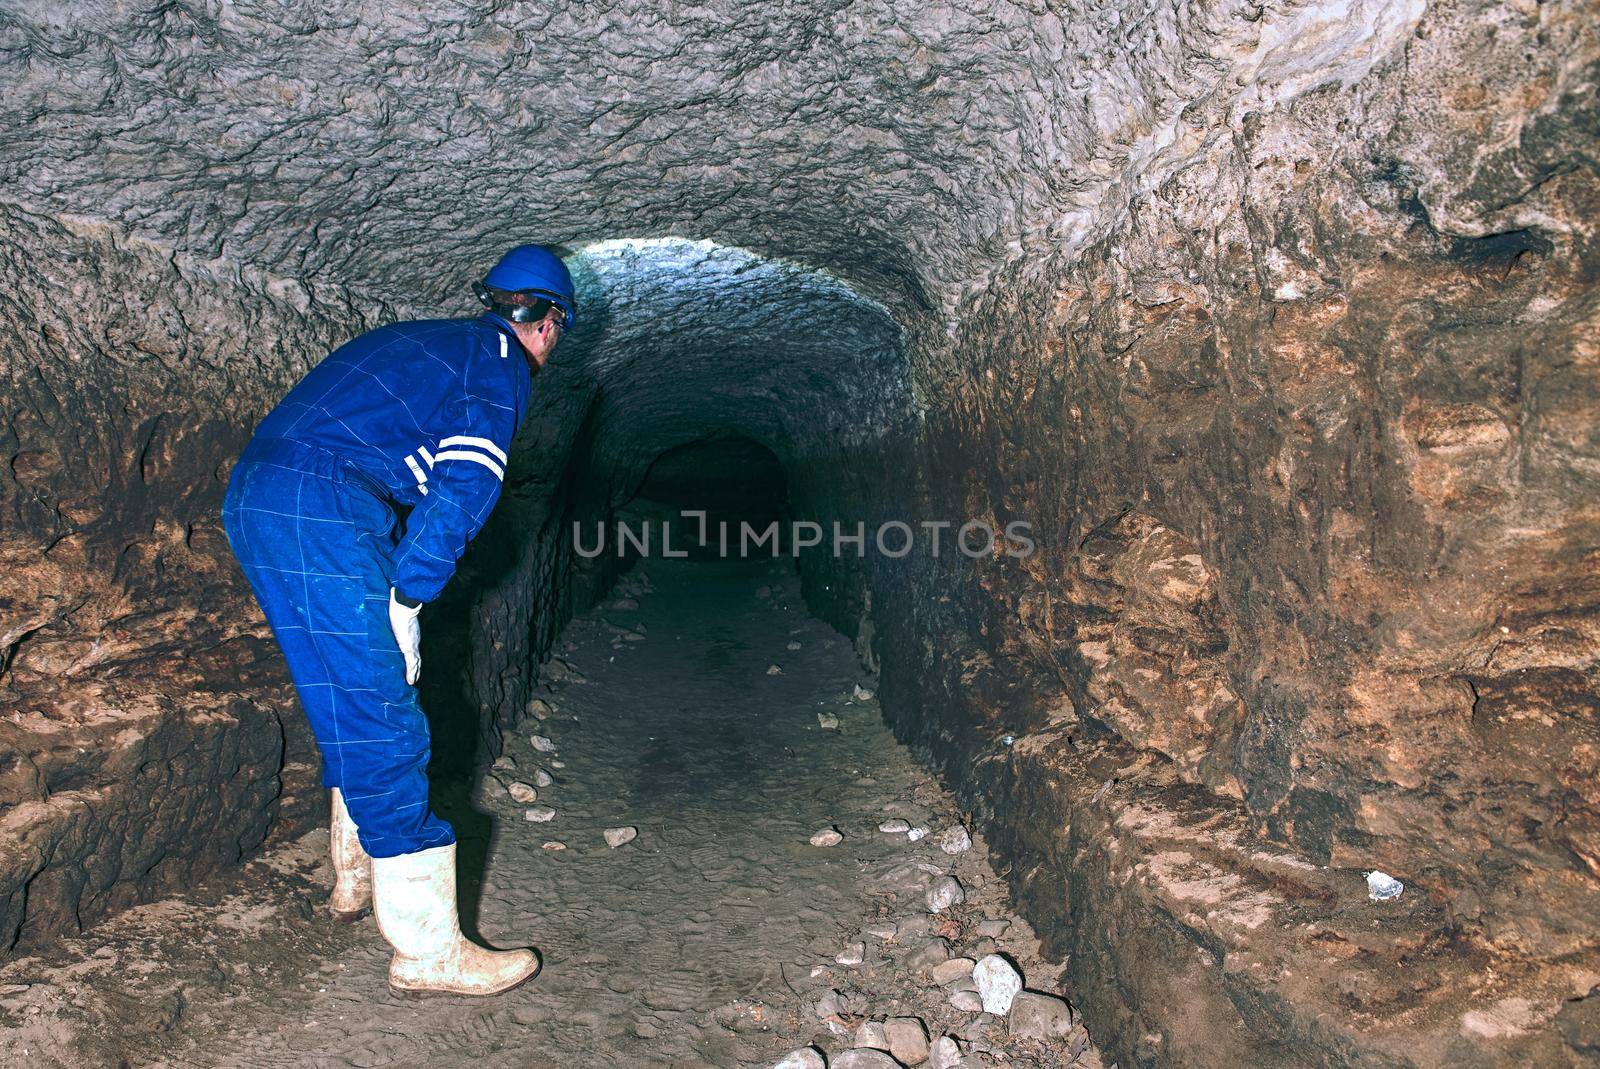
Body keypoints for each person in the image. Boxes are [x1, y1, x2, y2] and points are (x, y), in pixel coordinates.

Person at [221, 245, 575, 997]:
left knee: (341, 687)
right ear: (547, 324)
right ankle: (426, 948)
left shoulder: (424, 338)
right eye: (556, 332)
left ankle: (353, 874)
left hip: (259, 493)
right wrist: (409, 597)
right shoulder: (498, 362)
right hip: (323, 503)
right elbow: (463, 488)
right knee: (384, 711)